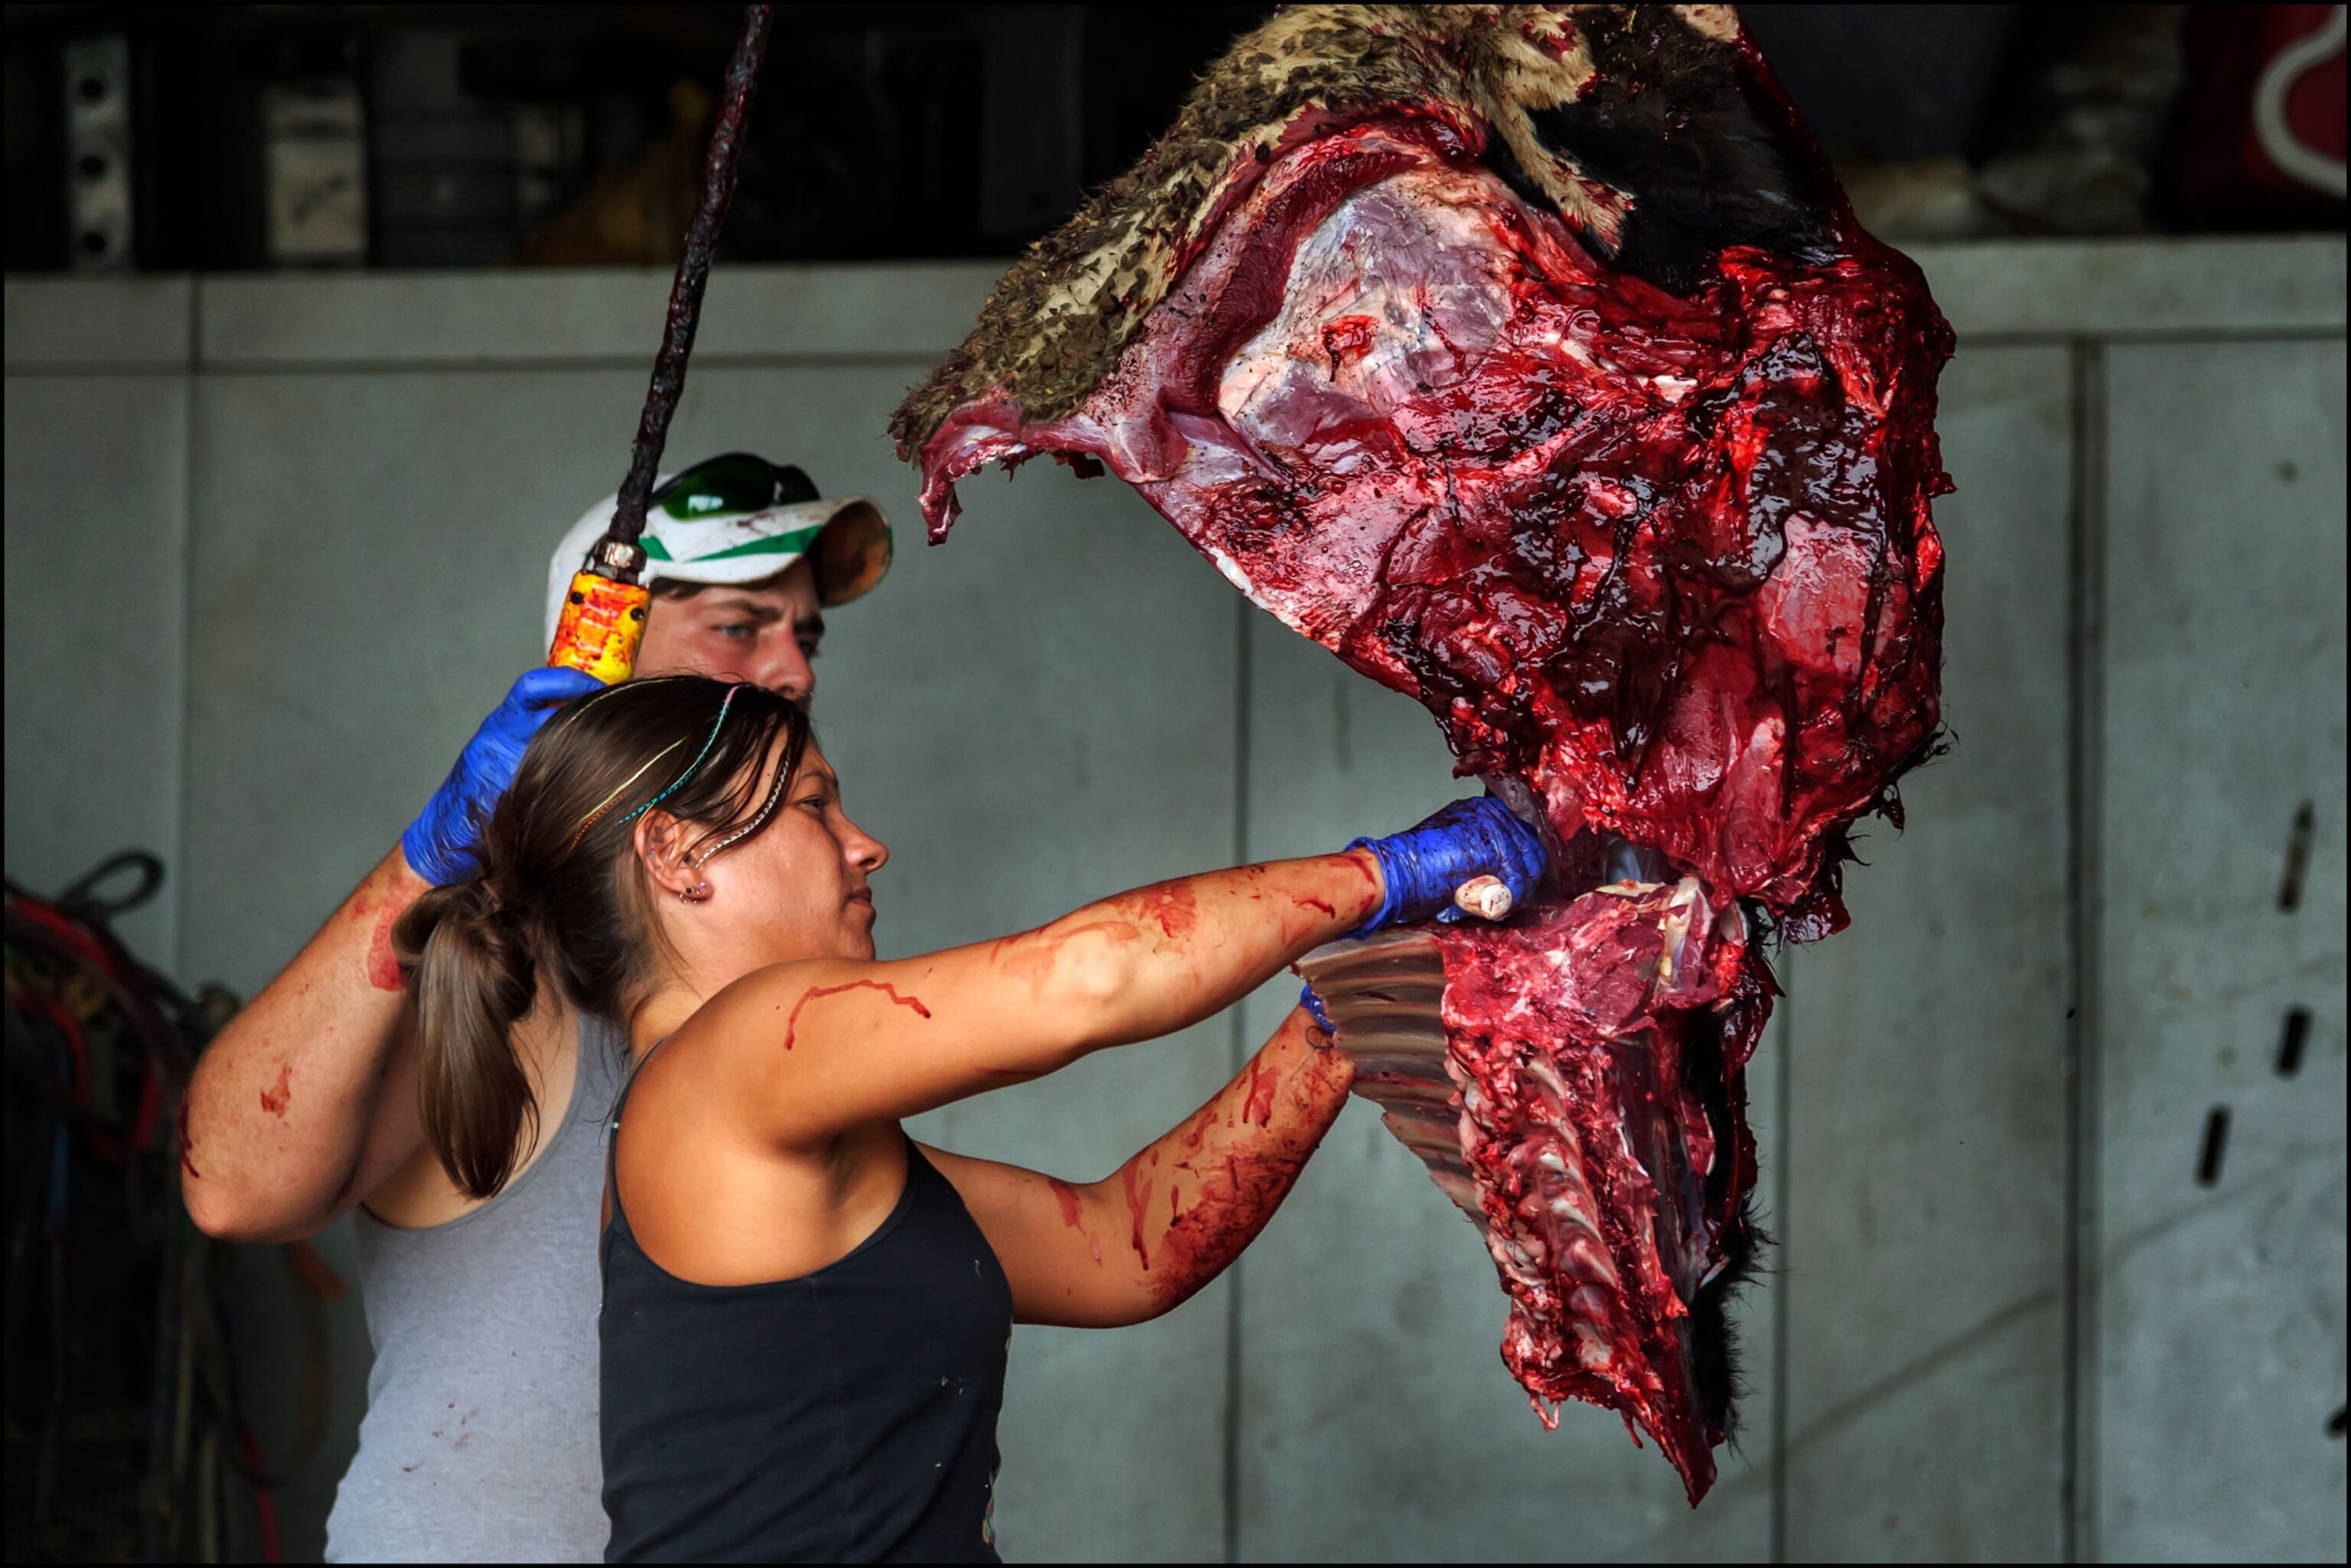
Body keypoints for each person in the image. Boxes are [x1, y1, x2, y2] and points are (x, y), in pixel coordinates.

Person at [397, 674, 1548, 1563]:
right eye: (813, 805)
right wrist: (1393, 869)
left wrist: (1341, 1010)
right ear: (678, 852)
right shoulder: (728, 1056)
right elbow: (1083, 979)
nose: (865, 843)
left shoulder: (774, 1141)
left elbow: (1133, 1245)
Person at [181, 455, 891, 1563]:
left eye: (806, 635)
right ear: (596, 652)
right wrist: (428, 861)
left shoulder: (792, 954)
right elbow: (230, 1186)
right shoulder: (496, 957)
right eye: (742, 627)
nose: (792, 670)